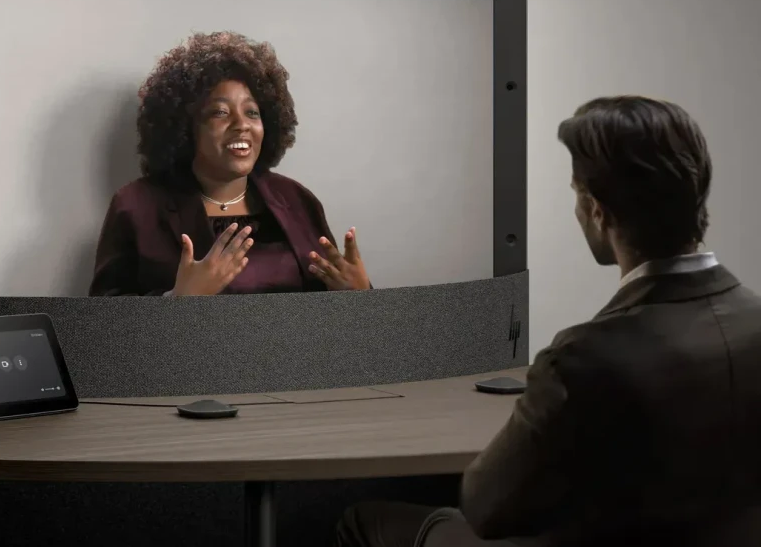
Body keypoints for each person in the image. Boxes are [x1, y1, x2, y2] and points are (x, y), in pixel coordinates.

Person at [335, 96, 761, 546]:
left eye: (577, 193)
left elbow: (485, 507)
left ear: (597, 209)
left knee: (363, 521)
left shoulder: (582, 361)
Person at [89, 31, 372, 297]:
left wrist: (361, 295)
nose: (241, 125)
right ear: (186, 127)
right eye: (220, 112)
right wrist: (177, 302)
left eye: (252, 112)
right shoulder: (136, 206)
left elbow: (340, 317)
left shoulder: (297, 200)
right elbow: (101, 324)